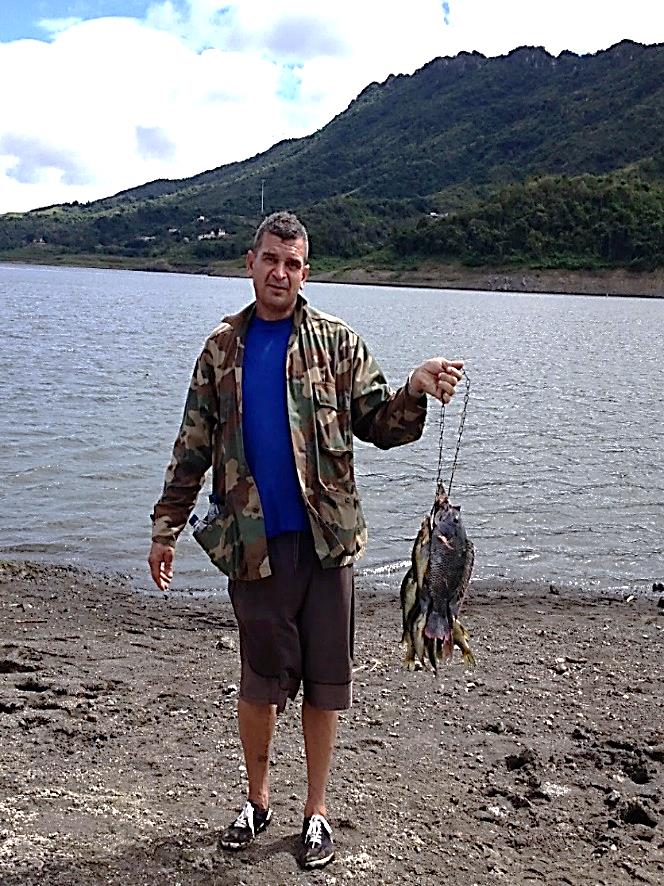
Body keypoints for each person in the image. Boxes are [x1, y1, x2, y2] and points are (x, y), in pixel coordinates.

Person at [148, 211, 463, 870]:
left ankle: (315, 812)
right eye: (271, 260)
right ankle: (257, 800)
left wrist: (414, 386)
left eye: (293, 264)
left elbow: (382, 423)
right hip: (252, 547)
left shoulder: (336, 344)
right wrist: (166, 528)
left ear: (305, 271)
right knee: (259, 684)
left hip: (327, 547)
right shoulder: (220, 350)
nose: (281, 274)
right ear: (250, 262)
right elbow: (192, 447)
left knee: (326, 685)